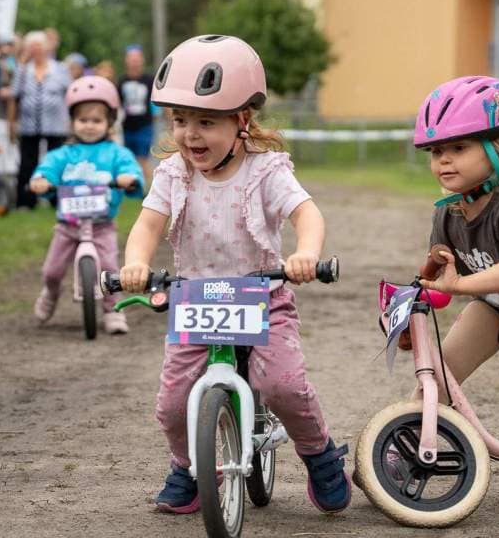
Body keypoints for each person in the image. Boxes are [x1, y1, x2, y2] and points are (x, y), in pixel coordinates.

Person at [119, 34, 350, 514]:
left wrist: (306, 253)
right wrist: (136, 262)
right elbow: (147, 225)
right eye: (181, 121)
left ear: (242, 120)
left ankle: (319, 454)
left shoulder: (266, 171)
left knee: (284, 385)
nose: (190, 135)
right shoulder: (172, 174)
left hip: (262, 295)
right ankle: (185, 467)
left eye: (206, 122)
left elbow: (306, 214)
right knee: (172, 402)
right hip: (196, 300)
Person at [411, 77, 499, 390]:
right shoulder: (448, 212)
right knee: (434, 384)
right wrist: (413, 307)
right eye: (436, 150)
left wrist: (461, 284)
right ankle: (415, 429)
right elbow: (436, 275)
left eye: (458, 147)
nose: (443, 159)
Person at [30, 76, 144, 334]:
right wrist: (42, 181)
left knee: (111, 270)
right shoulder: (63, 154)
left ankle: (113, 310)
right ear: (72, 122)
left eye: (97, 120)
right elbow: (47, 169)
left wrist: (130, 179)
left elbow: (130, 170)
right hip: (67, 225)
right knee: (51, 270)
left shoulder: (116, 153)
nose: (89, 126)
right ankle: (50, 293)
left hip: (102, 225)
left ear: (109, 122)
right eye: (83, 120)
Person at [9, 31, 71, 209]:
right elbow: (14, 98)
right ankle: (26, 201)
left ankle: (57, 199)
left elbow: (70, 94)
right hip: (29, 125)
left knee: (57, 160)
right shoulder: (22, 71)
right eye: (32, 46)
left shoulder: (59, 69)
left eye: (39, 46)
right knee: (27, 163)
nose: (36, 50)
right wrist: (11, 123)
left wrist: (71, 121)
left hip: (56, 124)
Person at [117, 44, 155, 185]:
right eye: (131, 59)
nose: (134, 62)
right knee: (129, 158)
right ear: (126, 61)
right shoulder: (122, 81)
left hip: (145, 125)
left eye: (137, 59)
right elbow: (117, 104)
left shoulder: (149, 80)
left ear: (142, 60)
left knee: (143, 158)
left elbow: (158, 101)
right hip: (127, 126)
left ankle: (149, 188)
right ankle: (133, 186)